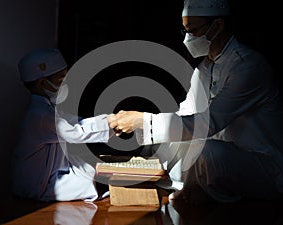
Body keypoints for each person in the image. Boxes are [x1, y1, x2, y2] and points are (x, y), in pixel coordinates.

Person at [109, 0, 283, 204]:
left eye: (192, 31)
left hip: (261, 166)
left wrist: (143, 121)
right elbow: (185, 115)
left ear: (217, 26)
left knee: (205, 150)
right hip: (222, 153)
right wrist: (139, 124)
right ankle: (154, 177)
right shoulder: (203, 68)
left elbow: (207, 124)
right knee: (170, 140)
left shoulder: (248, 67)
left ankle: (198, 194)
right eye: (185, 31)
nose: (187, 38)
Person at [11, 48, 114, 202]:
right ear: (42, 82)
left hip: (52, 175)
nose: (65, 84)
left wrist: (110, 120)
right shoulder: (39, 115)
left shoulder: (47, 108)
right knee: (88, 181)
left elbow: (75, 122)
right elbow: (75, 133)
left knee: (90, 170)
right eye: (61, 80)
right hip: (38, 186)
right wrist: (113, 123)